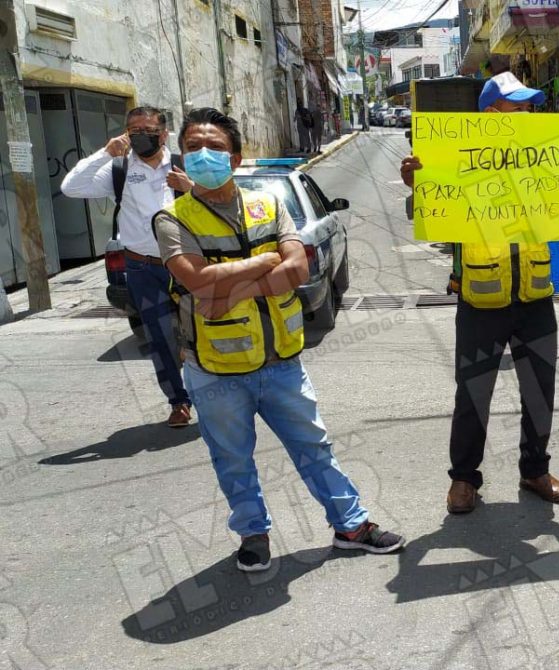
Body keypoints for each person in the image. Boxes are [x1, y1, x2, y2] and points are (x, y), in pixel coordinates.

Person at [153, 108, 404, 571]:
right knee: (232, 458)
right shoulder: (173, 219)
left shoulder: (267, 203)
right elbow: (200, 284)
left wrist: (236, 285)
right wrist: (263, 263)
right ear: (181, 156)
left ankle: (352, 525)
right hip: (215, 368)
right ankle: (253, 534)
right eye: (193, 149)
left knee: (315, 448)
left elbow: (300, 268)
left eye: (215, 148)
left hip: (282, 361)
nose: (204, 156)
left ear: (237, 156)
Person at [400, 72, 559, 514]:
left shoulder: (545, 159)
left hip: (535, 296)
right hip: (480, 299)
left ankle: (535, 469)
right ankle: (463, 479)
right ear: (492, 113)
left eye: (530, 106)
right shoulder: (457, 160)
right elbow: (428, 212)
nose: (529, 113)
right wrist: (417, 182)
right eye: (519, 106)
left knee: (540, 391)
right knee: (473, 393)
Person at [61, 106, 195, 428]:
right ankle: (178, 402)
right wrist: (103, 154)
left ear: (163, 134)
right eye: (132, 130)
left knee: (201, 332)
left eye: (146, 130)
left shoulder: (183, 165)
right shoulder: (118, 169)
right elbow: (70, 187)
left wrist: (192, 188)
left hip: (188, 264)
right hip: (142, 268)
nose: (138, 136)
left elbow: (219, 199)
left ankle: (213, 391)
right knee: (159, 337)